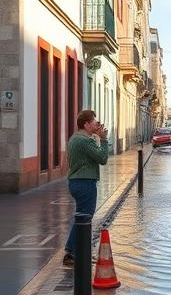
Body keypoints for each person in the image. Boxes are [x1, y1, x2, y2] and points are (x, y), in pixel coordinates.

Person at [63, 110, 109, 266]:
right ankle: (73, 253)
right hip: (85, 183)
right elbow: (102, 158)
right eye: (94, 121)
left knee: (81, 218)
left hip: (77, 182)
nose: (97, 124)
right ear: (86, 124)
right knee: (85, 219)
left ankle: (74, 250)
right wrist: (103, 139)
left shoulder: (75, 138)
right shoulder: (84, 141)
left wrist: (96, 137)